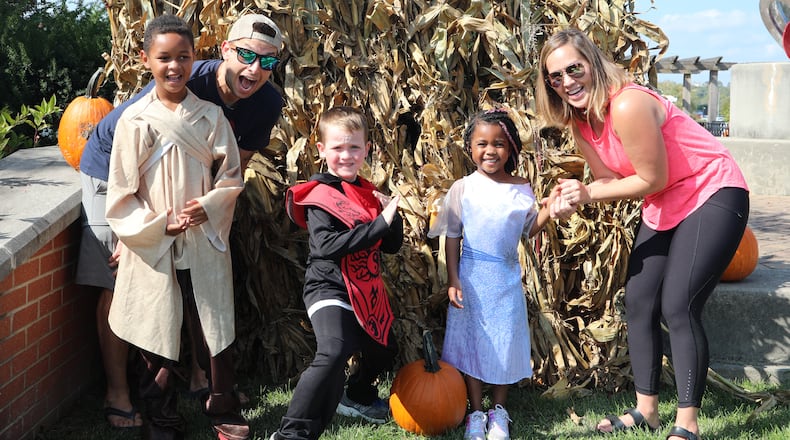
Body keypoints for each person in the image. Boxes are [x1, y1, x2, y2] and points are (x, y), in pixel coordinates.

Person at [535, 28, 750, 440]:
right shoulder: (582, 124)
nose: (567, 82)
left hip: (712, 190)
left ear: (592, 62)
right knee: (638, 300)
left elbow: (651, 177)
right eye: (555, 77)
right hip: (665, 200)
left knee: (678, 304)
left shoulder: (629, 104)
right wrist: (570, 198)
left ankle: (686, 425)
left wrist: (588, 192)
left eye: (573, 69)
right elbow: (611, 181)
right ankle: (646, 411)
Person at [75, 12, 284, 424]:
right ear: (225, 50)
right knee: (121, 280)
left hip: (187, 199)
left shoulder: (266, 102)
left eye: (268, 61)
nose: (254, 69)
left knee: (198, 274)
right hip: (112, 171)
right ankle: (119, 392)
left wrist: (207, 208)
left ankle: (201, 377)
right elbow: (128, 152)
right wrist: (132, 233)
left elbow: (230, 169)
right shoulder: (187, 75)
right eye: (245, 55)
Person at [104, 14, 248, 440]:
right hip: (155, 240)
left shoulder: (210, 117)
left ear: (193, 57)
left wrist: (208, 206)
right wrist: (155, 224)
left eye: (183, 57)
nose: (174, 67)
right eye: (164, 57)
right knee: (155, 326)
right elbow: (121, 192)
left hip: (203, 237)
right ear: (145, 59)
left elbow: (231, 176)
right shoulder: (134, 121)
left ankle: (224, 409)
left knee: (213, 326)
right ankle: (161, 419)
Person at [426, 108, 564, 440]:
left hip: (505, 279)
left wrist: (550, 208)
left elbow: (529, 229)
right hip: (472, 277)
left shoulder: (520, 188)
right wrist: (454, 279)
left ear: (511, 147)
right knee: (473, 343)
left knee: (503, 343)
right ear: (470, 148)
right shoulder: (463, 188)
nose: (490, 151)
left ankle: (498, 410)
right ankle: (476, 411)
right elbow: (453, 236)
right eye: (482, 143)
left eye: (499, 144)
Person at [271, 106, 404, 440]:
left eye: (354, 147)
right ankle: (290, 434)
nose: (346, 155)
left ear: (367, 150)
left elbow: (389, 246)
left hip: (365, 289)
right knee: (333, 351)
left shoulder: (368, 192)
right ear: (321, 150)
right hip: (327, 288)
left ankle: (356, 396)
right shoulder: (318, 195)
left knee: (383, 347)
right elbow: (327, 246)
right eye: (337, 148)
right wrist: (379, 223)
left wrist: (393, 219)